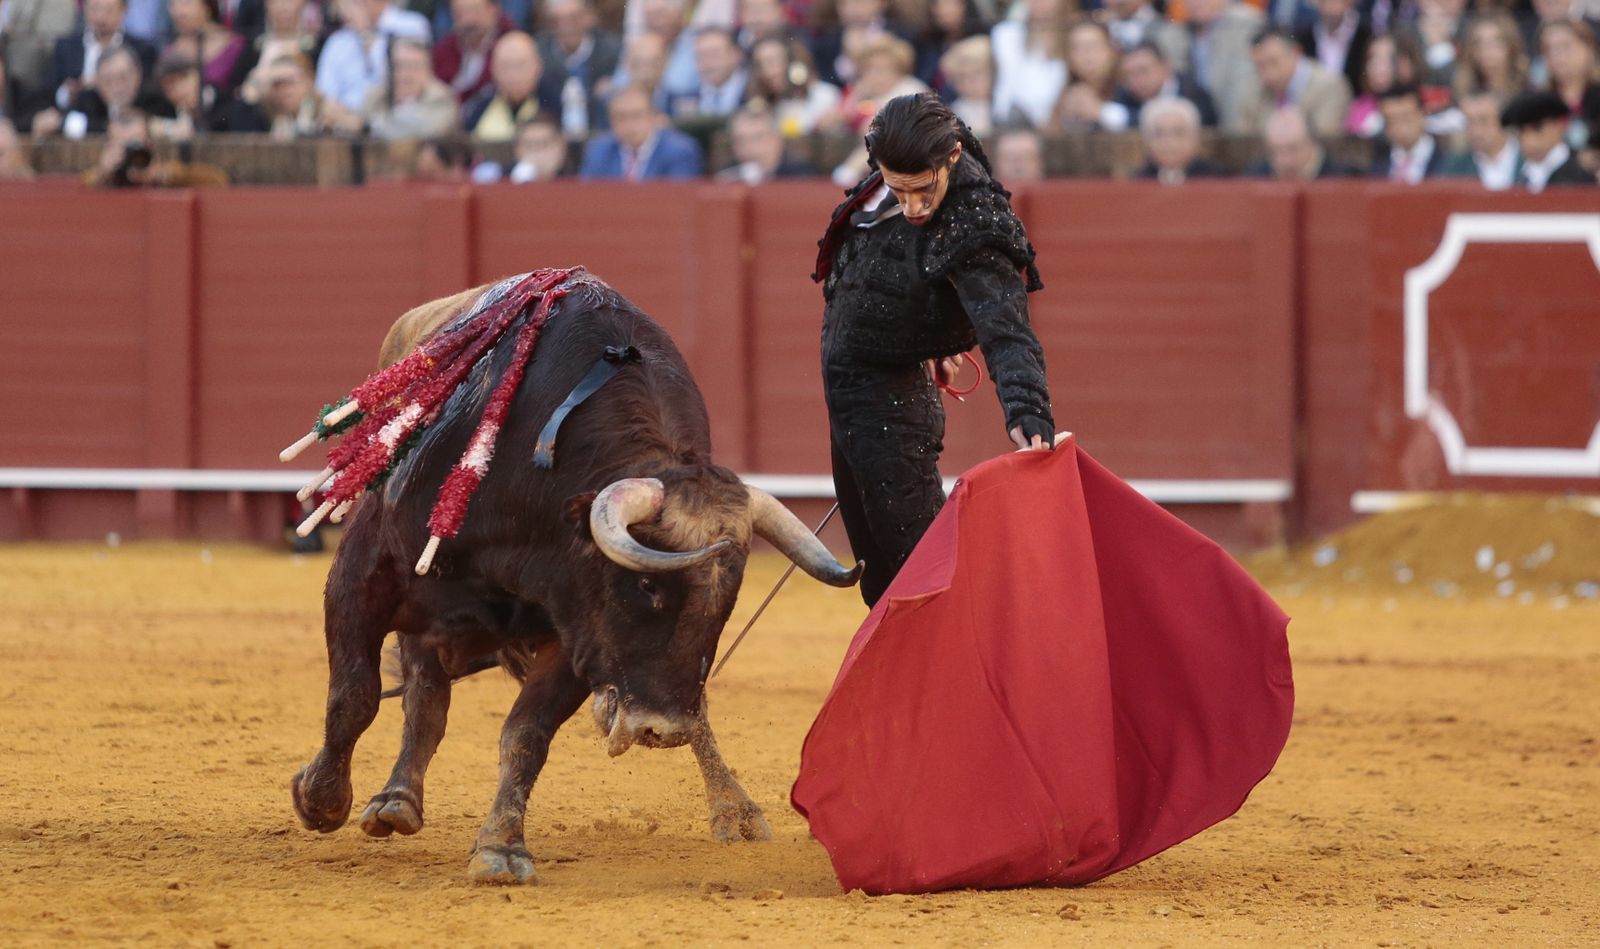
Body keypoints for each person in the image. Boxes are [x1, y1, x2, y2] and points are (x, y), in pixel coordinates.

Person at [812, 92, 1054, 606]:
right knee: (880, 577)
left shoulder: (977, 222)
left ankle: (958, 682)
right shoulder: (907, 158)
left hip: (888, 404)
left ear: (951, 157)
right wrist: (934, 336)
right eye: (898, 191)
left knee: (921, 573)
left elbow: (1006, 330)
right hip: (853, 395)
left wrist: (1027, 409)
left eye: (923, 191)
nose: (913, 207)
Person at [1240, 26, 1351, 138]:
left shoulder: (1330, 87)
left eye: (1273, 62)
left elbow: (1325, 142)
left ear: (1296, 52)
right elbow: (1243, 142)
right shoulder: (1255, 90)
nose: (1268, 74)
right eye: (1260, 66)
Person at [578, 82, 703, 177]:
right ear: (611, 122)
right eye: (621, 117)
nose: (629, 125)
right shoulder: (599, 151)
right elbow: (587, 198)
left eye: (636, 116)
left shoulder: (680, 152)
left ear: (653, 117)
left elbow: (678, 201)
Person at [1502, 88, 1595, 189]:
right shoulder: (1520, 176)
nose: (1528, 140)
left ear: (1559, 127)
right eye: (1521, 132)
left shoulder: (1583, 170)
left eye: (1538, 128)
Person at [1370, 83, 1453, 182]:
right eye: (1391, 121)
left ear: (1423, 115)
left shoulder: (1447, 162)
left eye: (1406, 119)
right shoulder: (1377, 164)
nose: (1399, 127)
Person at [715, 100, 815, 181]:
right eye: (740, 140)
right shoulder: (728, 177)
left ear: (777, 139)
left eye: (757, 138)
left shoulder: (799, 176)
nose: (747, 147)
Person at [1439, 90, 1519, 188]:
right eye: (1469, 122)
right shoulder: (1454, 167)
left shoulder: (1527, 159)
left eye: (1484, 121)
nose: (1476, 131)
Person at [1253, 103, 1357, 178]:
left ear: (1312, 143)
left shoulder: (1344, 176)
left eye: (1293, 149)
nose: (1284, 161)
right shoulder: (1255, 177)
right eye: (1274, 152)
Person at [1135, 95, 1220, 183]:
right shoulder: (1135, 182)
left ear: (1196, 137)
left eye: (1178, 133)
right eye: (1159, 134)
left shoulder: (1220, 179)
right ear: (1146, 141)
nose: (1168, 142)